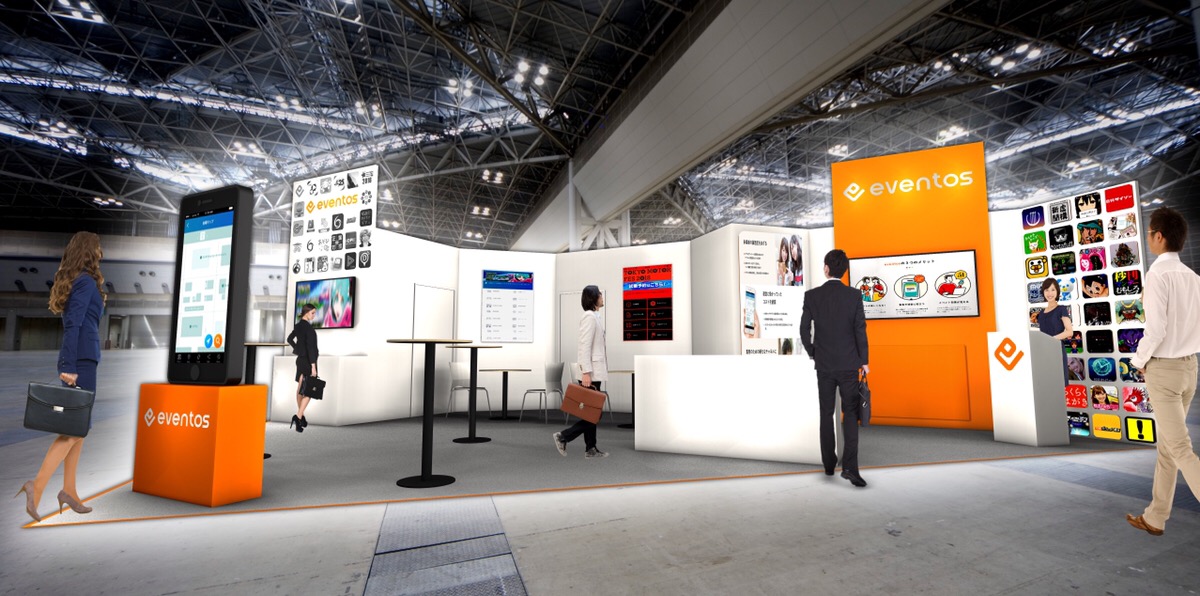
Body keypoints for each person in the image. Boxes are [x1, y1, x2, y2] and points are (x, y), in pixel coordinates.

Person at [16, 232, 105, 522]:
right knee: (74, 430)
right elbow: (74, 324)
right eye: (98, 248)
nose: (101, 252)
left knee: (78, 428)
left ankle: (69, 490)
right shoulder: (85, 281)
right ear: (89, 251)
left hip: (83, 359)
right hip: (80, 361)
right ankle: (37, 486)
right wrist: (68, 364)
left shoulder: (80, 280)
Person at [1125, 207, 1200, 536]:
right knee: (1169, 447)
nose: (1147, 238)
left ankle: (1156, 516)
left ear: (1158, 236)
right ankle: (1156, 517)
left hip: (1164, 371)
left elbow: (1155, 331)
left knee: (1179, 448)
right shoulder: (1193, 278)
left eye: (1148, 233)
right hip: (1189, 368)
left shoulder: (1157, 275)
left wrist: (1138, 361)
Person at [800, 249, 869, 487]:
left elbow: (803, 330)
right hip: (849, 365)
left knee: (826, 413)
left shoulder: (812, 296)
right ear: (845, 271)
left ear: (826, 268)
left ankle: (829, 464)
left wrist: (813, 352)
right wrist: (864, 361)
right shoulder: (854, 296)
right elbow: (860, 330)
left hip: (825, 366)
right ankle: (850, 468)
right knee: (850, 414)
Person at [553, 285, 609, 459]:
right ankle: (563, 436)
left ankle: (590, 449)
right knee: (594, 412)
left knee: (590, 412)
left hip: (594, 371)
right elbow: (584, 346)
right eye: (599, 294)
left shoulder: (595, 316)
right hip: (590, 373)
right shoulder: (589, 317)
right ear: (593, 298)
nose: (602, 296)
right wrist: (585, 372)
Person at [287, 303, 319, 433]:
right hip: (308, 362)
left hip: (300, 360)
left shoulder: (298, 326)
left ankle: (301, 417)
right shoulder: (309, 329)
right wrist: (313, 366)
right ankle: (298, 416)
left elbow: (289, 339)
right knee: (309, 391)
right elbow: (311, 348)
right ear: (306, 313)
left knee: (300, 389)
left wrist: (298, 350)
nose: (314, 315)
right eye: (312, 313)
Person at [1035, 278, 1074, 385]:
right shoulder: (1041, 313)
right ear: (1043, 292)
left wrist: (1051, 339)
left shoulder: (1061, 309)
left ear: (1057, 291)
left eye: (1052, 290)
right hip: (1044, 351)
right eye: (1046, 290)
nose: (1050, 293)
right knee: (1046, 382)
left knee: (1058, 381)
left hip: (1056, 349)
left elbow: (1069, 332)